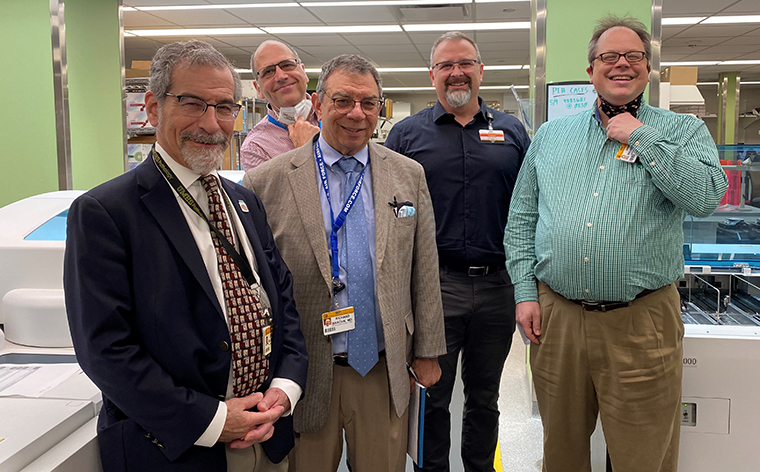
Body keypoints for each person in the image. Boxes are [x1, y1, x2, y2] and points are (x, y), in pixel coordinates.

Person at [64, 40, 308, 472]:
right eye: (193, 103)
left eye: (225, 107)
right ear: (153, 108)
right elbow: (105, 349)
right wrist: (213, 420)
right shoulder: (107, 213)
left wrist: (285, 388)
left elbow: (282, 301)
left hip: (267, 436)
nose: (212, 124)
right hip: (176, 449)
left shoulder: (244, 202)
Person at [505, 15, 728, 472]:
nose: (621, 63)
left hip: (641, 322)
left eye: (633, 56)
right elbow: (522, 219)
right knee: (561, 451)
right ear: (591, 70)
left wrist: (641, 137)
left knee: (644, 455)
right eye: (609, 56)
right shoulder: (550, 136)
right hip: (558, 320)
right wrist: (526, 293)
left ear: (648, 69)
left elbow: (705, 197)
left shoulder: (682, 132)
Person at [243, 54, 446, 472]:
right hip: (304, 371)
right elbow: (255, 283)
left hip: (382, 365)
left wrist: (428, 351)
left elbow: (423, 267)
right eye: (343, 100)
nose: (357, 113)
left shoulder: (408, 174)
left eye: (369, 103)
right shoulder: (267, 181)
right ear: (318, 104)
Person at [384, 31, 530, 472]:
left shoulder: (511, 131)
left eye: (465, 63)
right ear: (432, 75)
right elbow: (385, 214)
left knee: (485, 398)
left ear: (480, 70)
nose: (456, 72)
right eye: (446, 65)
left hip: (498, 286)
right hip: (434, 288)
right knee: (432, 397)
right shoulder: (406, 135)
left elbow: (530, 207)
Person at [240, 40, 320, 170]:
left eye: (287, 65)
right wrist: (305, 152)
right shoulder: (255, 148)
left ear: (304, 73)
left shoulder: (339, 116)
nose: (281, 76)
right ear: (258, 89)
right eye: (268, 72)